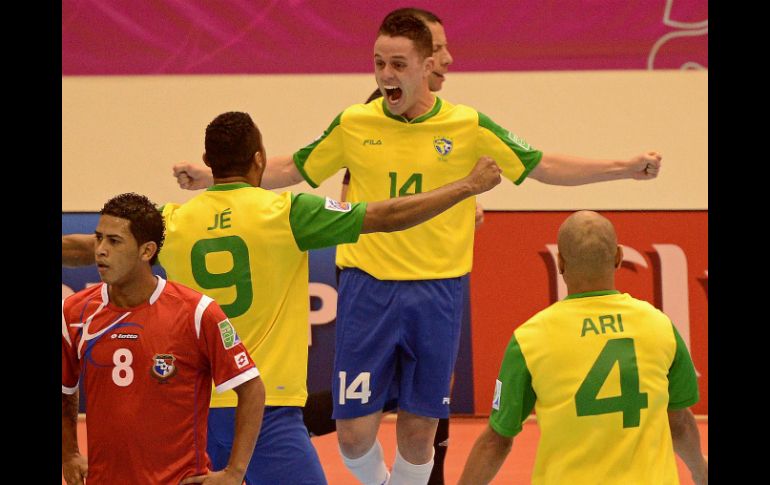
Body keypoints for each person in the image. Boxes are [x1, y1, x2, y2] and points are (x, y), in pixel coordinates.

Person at [172, 12, 662, 484]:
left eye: (398, 65)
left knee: (419, 432)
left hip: (438, 291)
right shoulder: (355, 124)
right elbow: (295, 167)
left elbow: (542, 165)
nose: (386, 74)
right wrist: (214, 176)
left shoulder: (467, 126)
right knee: (354, 436)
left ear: (427, 66)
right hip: (367, 287)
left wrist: (622, 165)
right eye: (379, 62)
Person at [63, 111, 503, 484]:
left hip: (191, 413)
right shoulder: (288, 213)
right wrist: (467, 186)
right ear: (259, 160)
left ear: (207, 162)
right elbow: (387, 216)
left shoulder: (170, 221)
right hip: (267, 410)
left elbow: (90, 246)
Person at [457, 210, 707, 485]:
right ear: (619, 257)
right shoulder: (660, 327)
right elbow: (679, 422)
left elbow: (497, 440)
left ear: (560, 263)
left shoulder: (530, 339)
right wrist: (700, 471)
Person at [61, 192, 266, 485]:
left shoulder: (197, 312)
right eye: (98, 238)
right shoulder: (75, 311)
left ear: (147, 251)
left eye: (114, 241)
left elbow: (252, 388)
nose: (100, 251)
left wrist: (234, 472)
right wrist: (69, 454)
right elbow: (64, 390)